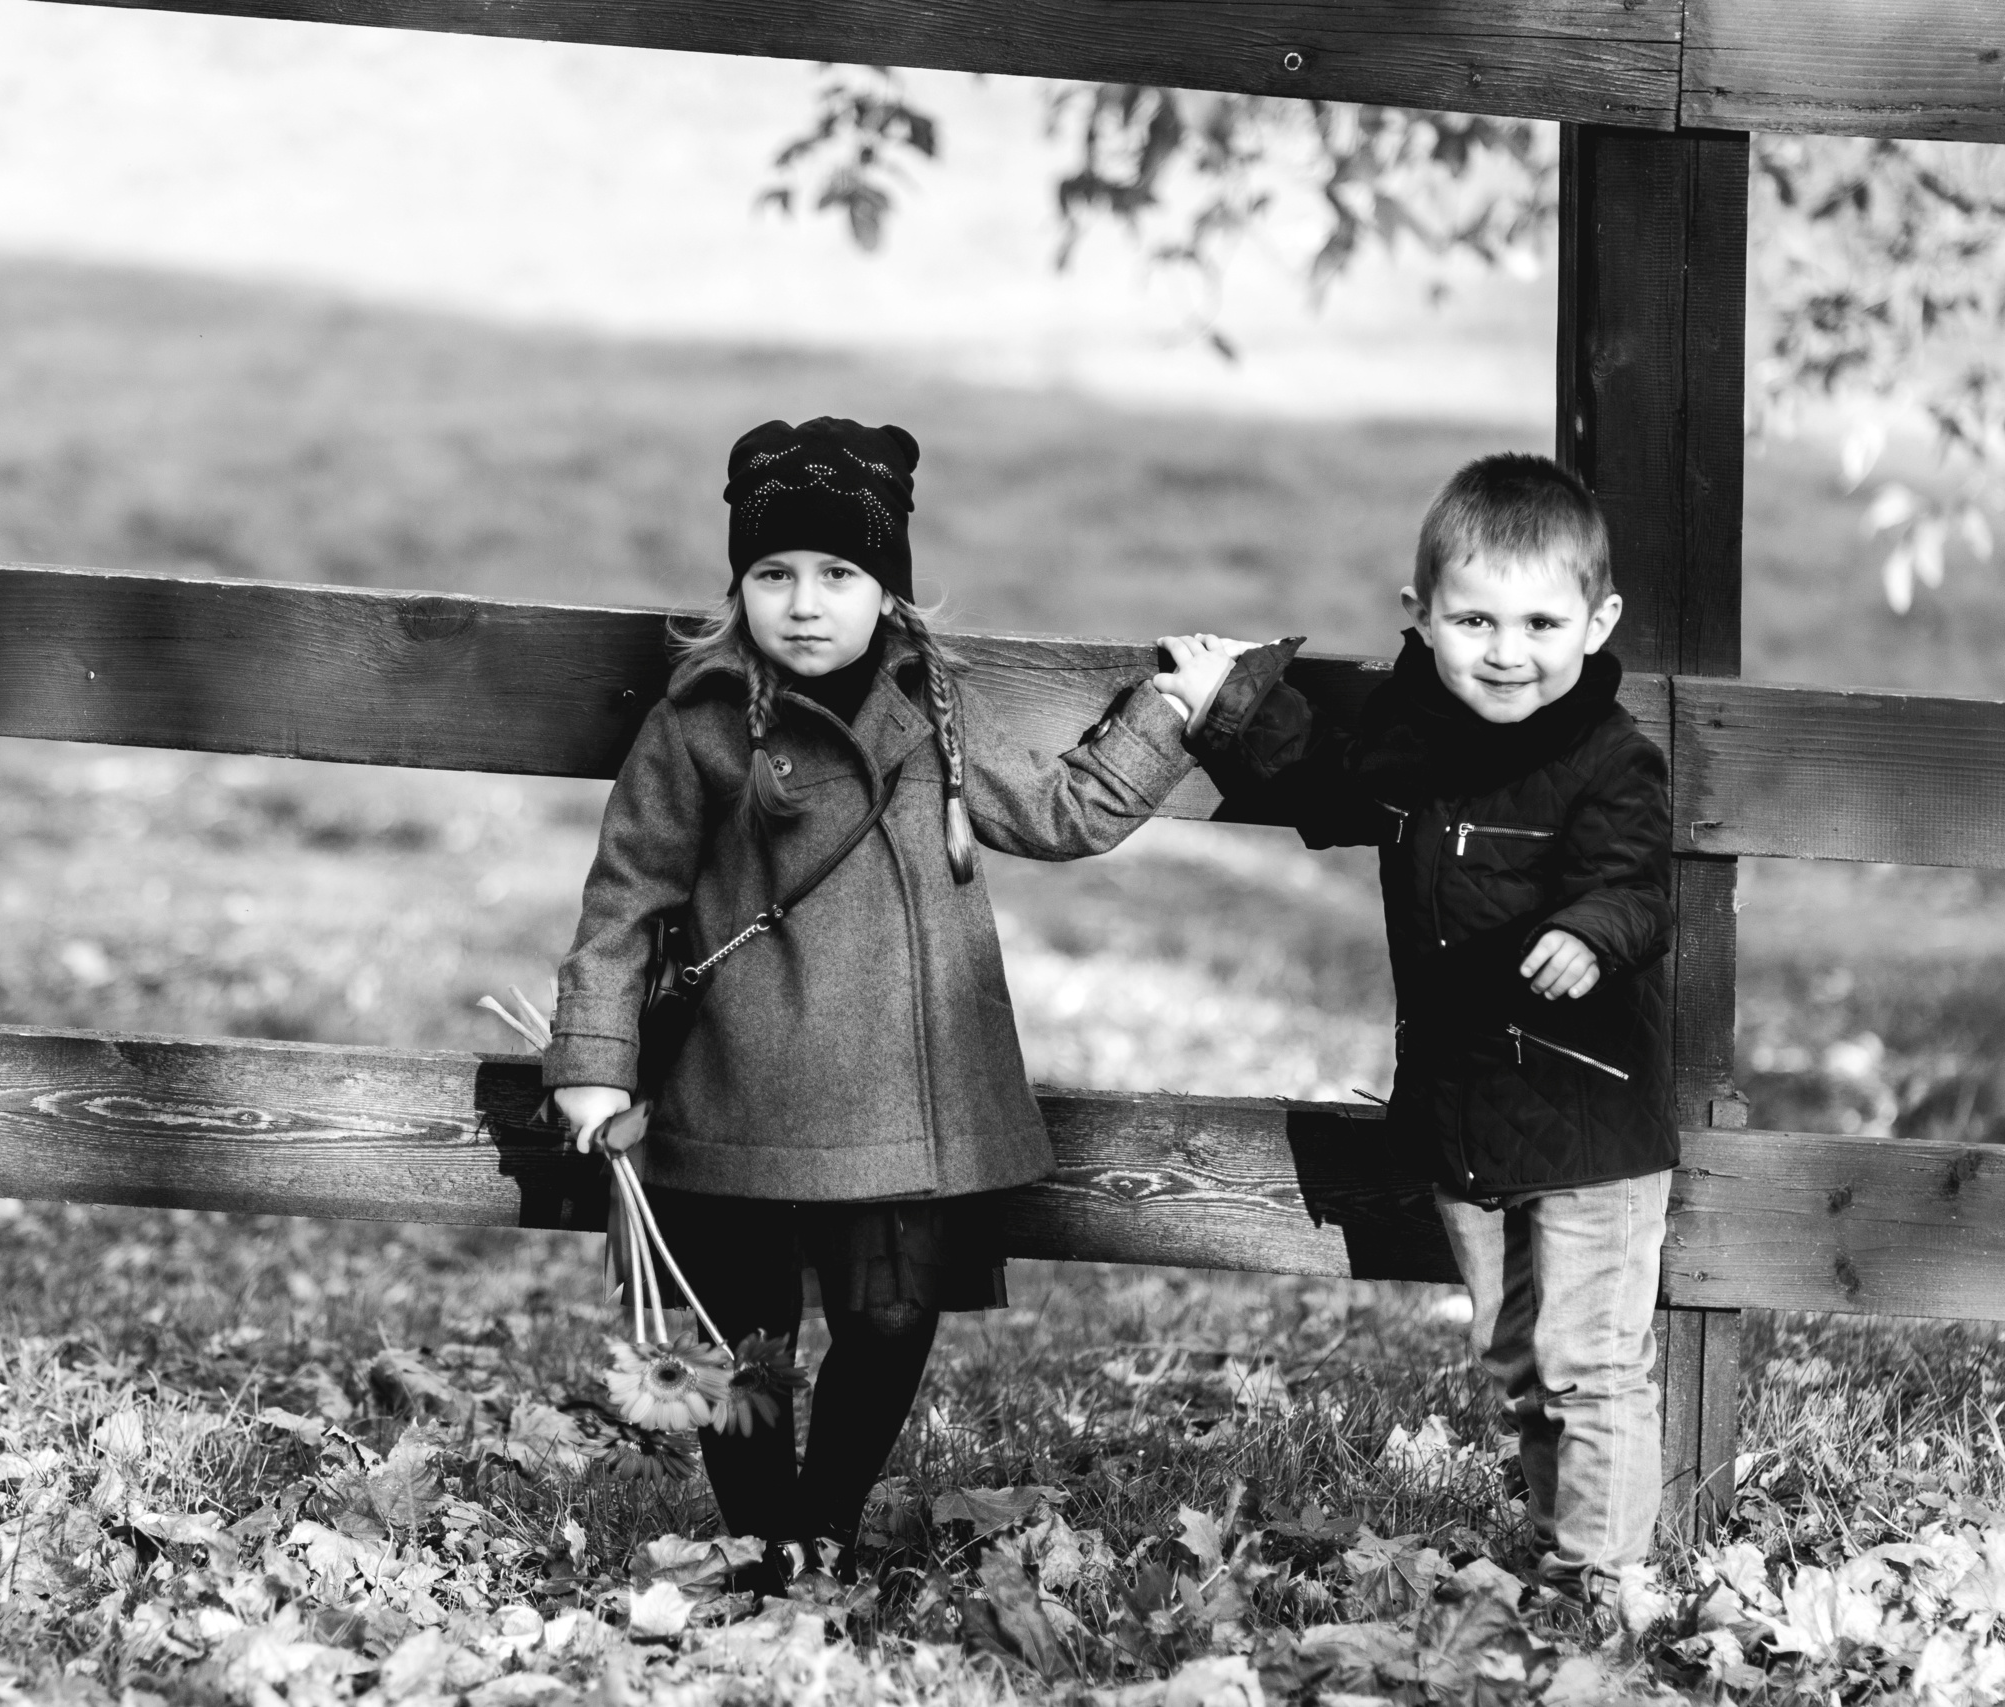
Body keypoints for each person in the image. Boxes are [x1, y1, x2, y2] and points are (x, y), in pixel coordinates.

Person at [542, 416, 1197, 1569]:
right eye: (773, 574)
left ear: (886, 587)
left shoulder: (931, 711)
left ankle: (824, 1526)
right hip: (740, 1082)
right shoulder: (698, 724)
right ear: (738, 586)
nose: (804, 604)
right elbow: (625, 900)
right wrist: (592, 1063)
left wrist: (1172, 710)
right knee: (741, 1333)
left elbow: (1062, 813)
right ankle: (764, 1546)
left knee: (891, 1318)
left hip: (904, 1085)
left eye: (838, 575)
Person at [1153, 453, 1675, 1605]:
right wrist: (1226, 701)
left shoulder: (1609, 758)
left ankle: (1602, 1584)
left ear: (1597, 624)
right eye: (1474, 620)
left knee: (1588, 1363)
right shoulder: (1413, 738)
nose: (1506, 651)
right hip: (1466, 1112)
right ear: (1422, 617)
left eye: (1541, 623)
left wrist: (1590, 930)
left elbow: (1639, 884)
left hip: (1589, 1115)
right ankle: (1559, 1545)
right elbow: (1322, 785)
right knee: (1518, 1361)